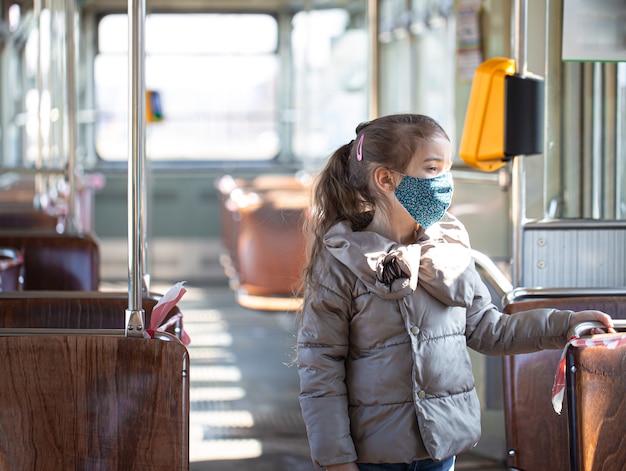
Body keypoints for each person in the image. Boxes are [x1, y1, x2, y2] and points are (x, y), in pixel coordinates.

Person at [296, 113, 614, 471]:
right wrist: (335, 458)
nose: (445, 183)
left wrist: (565, 325)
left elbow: (489, 330)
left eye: (447, 169)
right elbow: (320, 366)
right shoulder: (341, 261)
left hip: (439, 449)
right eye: (433, 169)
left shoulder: (449, 248)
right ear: (386, 179)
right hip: (373, 454)